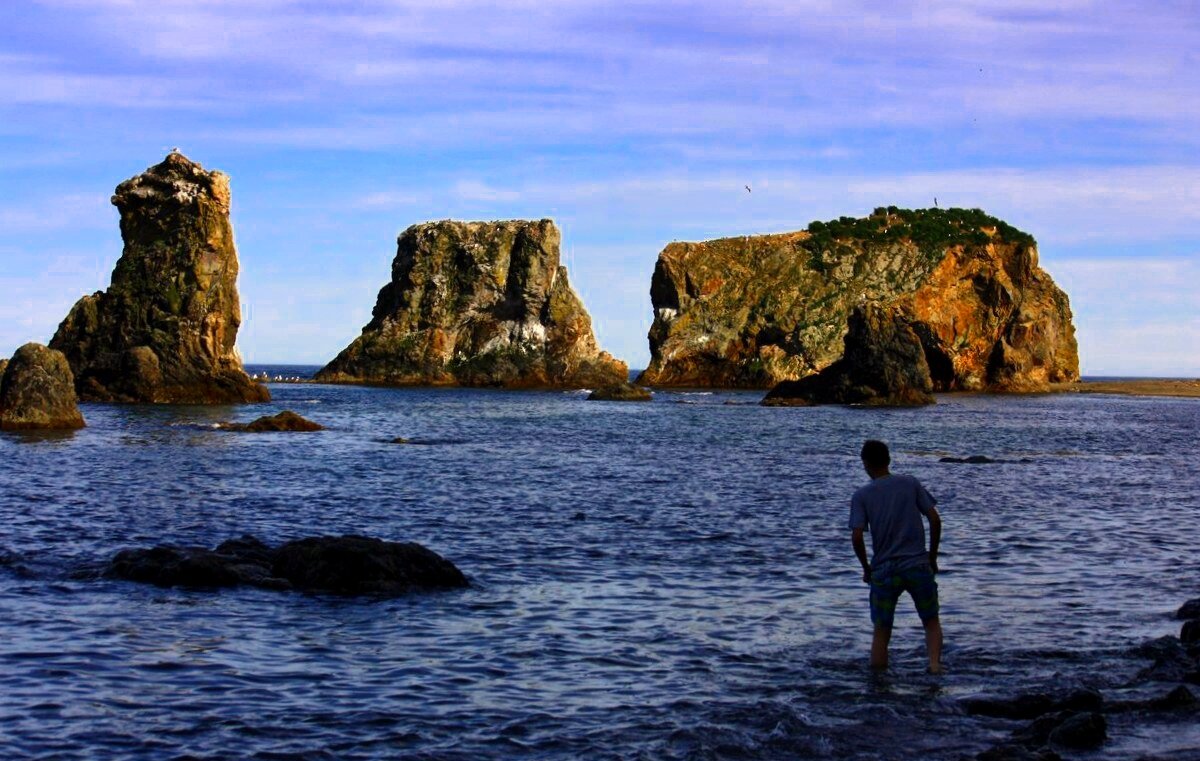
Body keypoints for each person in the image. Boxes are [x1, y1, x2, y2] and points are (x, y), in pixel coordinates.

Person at [850, 439, 943, 673]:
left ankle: (878, 682)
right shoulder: (910, 483)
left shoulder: (862, 495)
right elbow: (934, 519)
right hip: (917, 564)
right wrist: (932, 556)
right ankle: (934, 666)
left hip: (884, 569)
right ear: (889, 460)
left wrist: (865, 568)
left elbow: (857, 537)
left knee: (881, 630)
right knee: (931, 622)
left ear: (865, 464)